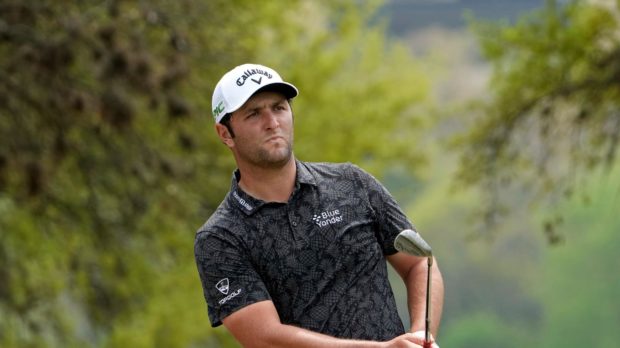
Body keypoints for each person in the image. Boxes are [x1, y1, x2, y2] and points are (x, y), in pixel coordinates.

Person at [194, 63, 444, 348]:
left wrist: (420, 336)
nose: (272, 122)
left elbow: (420, 264)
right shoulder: (219, 237)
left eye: (279, 108)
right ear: (225, 133)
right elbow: (265, 338)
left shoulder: (352, 183)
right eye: (253, 114)